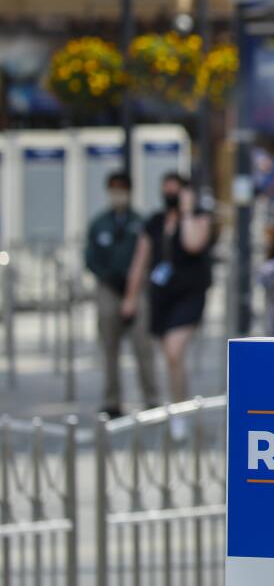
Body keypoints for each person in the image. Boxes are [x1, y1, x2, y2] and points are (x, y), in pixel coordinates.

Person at [123, 173, 214, 437]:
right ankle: (178, 404)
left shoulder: (199, 217)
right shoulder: (154, 222)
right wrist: (130, 297)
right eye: (167, 191)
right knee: (171, 357)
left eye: (177, 191)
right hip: (162, 296)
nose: (171, 196)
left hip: (190, 295)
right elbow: (140, 260)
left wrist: (186, 211)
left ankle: (179, 412)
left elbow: (192, 243)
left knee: (175, 351)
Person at [84, 172, 159, 417]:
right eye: (113, 188)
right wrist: (108, 276)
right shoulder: (99, 223)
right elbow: (90, 257)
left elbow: (148, 257)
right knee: (109, 347)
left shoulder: (140, 223)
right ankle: (111, 401)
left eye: (122, 188)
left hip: (136, 289)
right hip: (108, 288)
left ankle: (151, 398)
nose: (117, 194)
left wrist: (131, 287)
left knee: (142, 345)